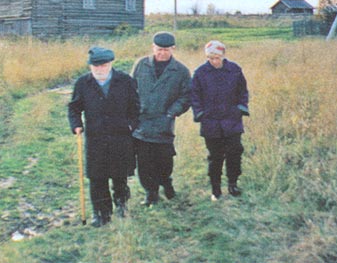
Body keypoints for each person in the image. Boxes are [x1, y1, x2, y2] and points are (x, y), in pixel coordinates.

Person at [68, 47, 139, 226]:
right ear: (90, 66)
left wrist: (131, 125)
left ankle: (122, 206)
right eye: (96, 66)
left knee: (120, 175)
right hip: (95, 138)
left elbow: (136, 107)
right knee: (97, 177)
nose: (100, 69)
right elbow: (74, 107)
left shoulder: (125, 81)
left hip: (120, 137)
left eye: (104, 65)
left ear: (111, 64)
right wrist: (76, 124)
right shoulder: (83, 83)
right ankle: (101, 214)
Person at [131, 31, 191, 206]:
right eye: (159, 49)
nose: (162, 53)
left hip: (164, 122)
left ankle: (166, 183)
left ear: (173, 49)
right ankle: (151, 193)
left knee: (164, 160)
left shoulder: (180, 71)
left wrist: (172, 112)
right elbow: (131, 89)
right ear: (153, 47)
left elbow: (187, 96)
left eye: (166, 50)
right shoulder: (141, 65)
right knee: (143, 161)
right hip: (142, 122)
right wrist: (134, 111)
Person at [191, 40, 249, 201]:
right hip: (211, 122)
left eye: (217, 58)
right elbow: (194, 96)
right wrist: (200, 114)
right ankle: (215, 188)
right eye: (210, 58)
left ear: (223, 55)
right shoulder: (200, 73)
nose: (214, 61)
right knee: (215, 156)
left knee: (234, 153)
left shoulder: (234, 70)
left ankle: (233, 184)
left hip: (232, 120)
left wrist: (241, 108)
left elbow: (243, 92)